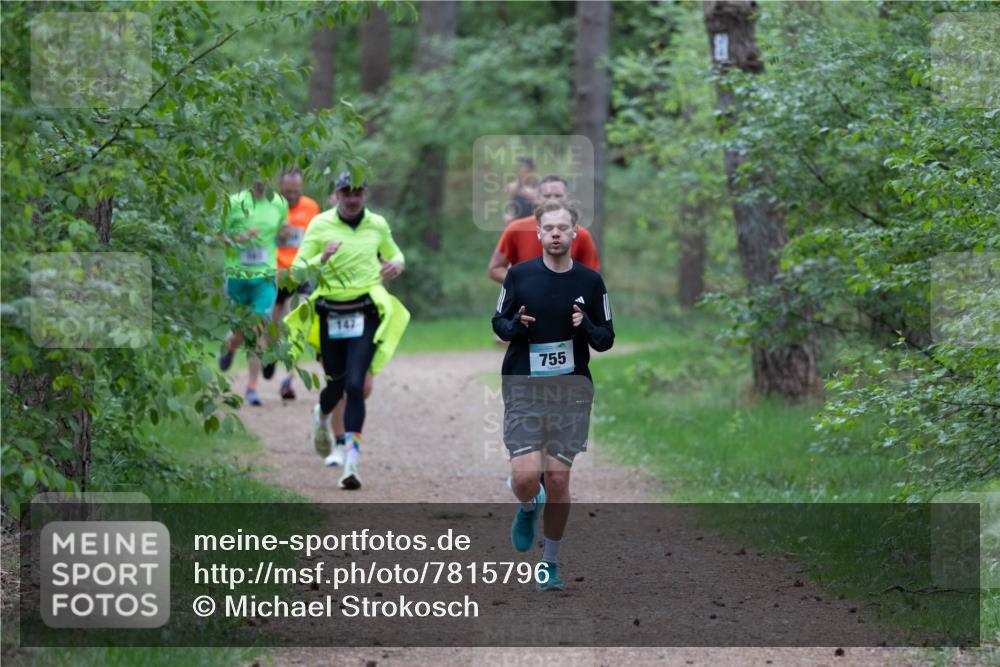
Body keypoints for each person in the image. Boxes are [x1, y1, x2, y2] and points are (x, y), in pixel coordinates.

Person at [492, 199, 614, 591]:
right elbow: (499, 323)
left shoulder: (590, 282)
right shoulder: (520, 277)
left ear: (575, 234)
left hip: (571, 390)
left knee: (559, 481)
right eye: (550, 228)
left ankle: (549, 564)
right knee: (527, 477)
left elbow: (607, 339)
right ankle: (528, 505)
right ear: (539, 233)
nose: (557, 234)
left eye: (564, 228)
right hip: (524, 385)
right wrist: (517, 324)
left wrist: (586, 325)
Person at [286, 171, 408, 490]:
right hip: (330, 311)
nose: (352, 199)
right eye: (346, 192)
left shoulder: (377, 224)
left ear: (365, 194)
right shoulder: (320, 224)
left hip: (365, 310)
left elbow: (395, 252)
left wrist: (396, 264)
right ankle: (321, 415)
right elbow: (297, 269)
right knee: (335, 386)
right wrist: (320, 257)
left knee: (356, 385)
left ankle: (351, 464)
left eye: (357, 192)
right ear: (336, 195)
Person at [218, 177, 288, 406]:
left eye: (266, 173)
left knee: (258, 328)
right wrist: (240, 239)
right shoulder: (234, 202)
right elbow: (219, 236)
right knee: (241, 330)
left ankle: (252, 387)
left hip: (265, 276)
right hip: (237, 276)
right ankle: (231, 343)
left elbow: (282, 233)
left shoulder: (279, 203)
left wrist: (285, 233)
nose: (260, 178)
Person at [488, 175, 600, 286]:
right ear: (537, 198)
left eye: (558, 195)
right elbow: (496, 269)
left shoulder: (581, 234)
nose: (552, 199)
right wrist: (524, 285)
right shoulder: (516, 228)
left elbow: (591, 276)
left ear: (568, 198)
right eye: (547, 196)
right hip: (524, 302)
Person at [273, 167, 321, 400]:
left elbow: (318, 237)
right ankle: (271, 356)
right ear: (280, 186)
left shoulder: (311, 207)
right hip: (275, 275)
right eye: (288, 189)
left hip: (301, 276)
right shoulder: (271, 207)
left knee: (296, 327)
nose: (292, 194)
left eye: (296, 189)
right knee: (272, 328)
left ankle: (288, 378)